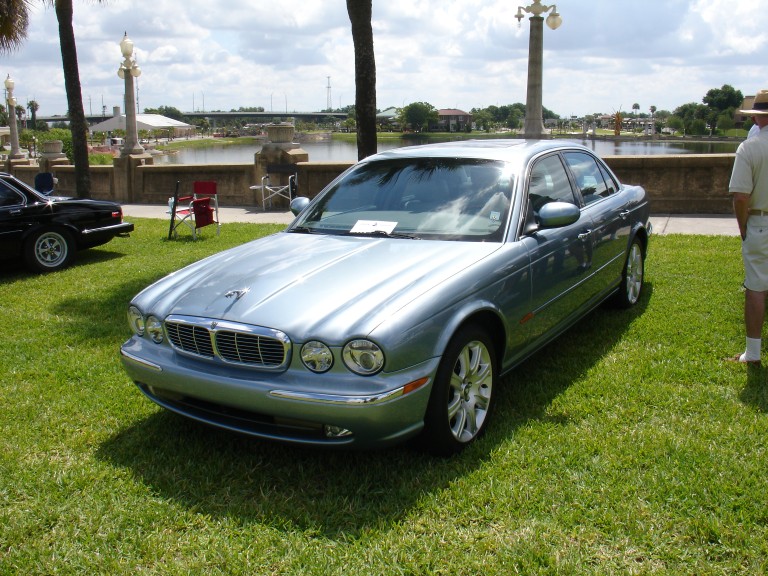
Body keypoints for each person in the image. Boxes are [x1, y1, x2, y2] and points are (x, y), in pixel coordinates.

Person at [728, 90, 768, 364]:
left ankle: (753, 353)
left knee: (756, 287)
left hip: (760, 222)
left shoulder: (750, 147)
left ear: (755, 115)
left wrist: (743, 227)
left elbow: (741, 196)